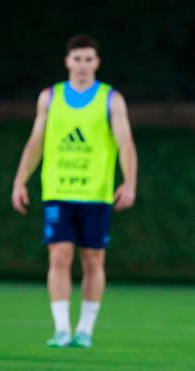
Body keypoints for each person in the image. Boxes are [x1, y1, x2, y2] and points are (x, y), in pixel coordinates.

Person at [11, 34, 138, 349]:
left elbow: (125, 143)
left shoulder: (111, 99)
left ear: (97, 63)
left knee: (93, 259)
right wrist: (19, 180)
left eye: (88, 59)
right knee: (59, 254)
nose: (82, 65)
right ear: (68, 61)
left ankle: (85, 328)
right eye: (77, 59)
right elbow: (36, 141)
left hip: (95, 194)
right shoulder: (50, 97)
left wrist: (129, 181)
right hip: (57, 190)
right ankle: (62, 328)